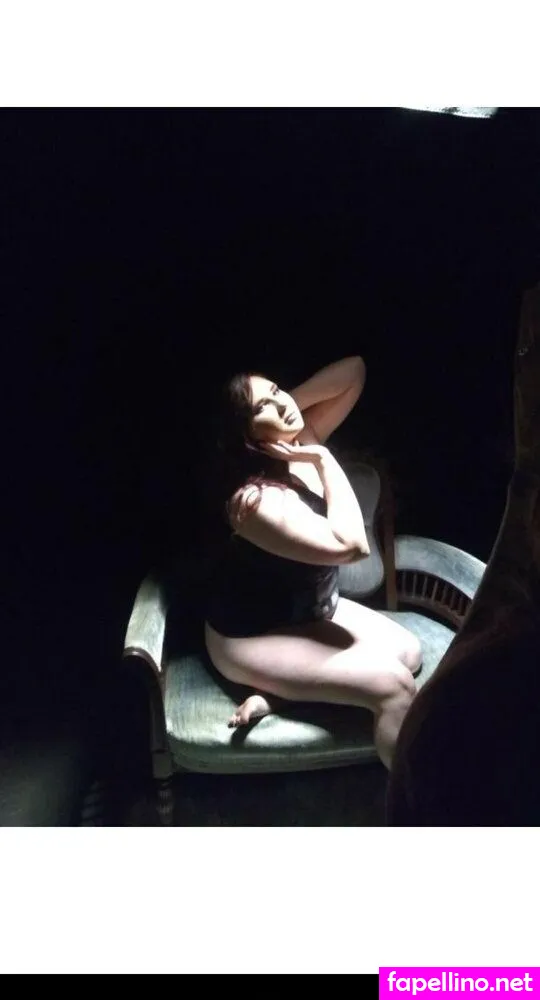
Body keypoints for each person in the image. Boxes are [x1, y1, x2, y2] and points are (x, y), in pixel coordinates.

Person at [203, 356, 422, 768]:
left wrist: (284, 407)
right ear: (244, 434)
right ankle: (412, 801)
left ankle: (281, 694)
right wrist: (322, 458)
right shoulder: (252, 502)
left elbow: (354, 371)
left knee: (408, 654)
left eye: (276, 390)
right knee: (394, 687)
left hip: (308, 612)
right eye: (262, 407)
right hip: (253, 633)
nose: (281, 402)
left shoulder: (296, 438)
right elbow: (351, 545)